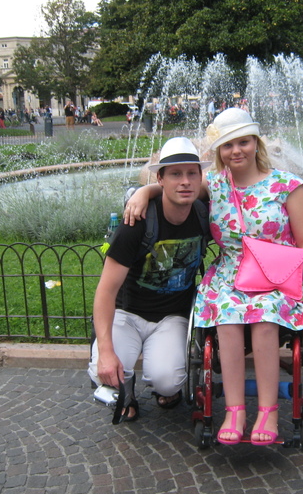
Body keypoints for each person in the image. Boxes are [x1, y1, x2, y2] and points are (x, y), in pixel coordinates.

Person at [125, 109, 303, 445]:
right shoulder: (216, 185)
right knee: (227, 314)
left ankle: (268, 412)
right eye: (228, 145)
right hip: (229, 274)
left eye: (243, 142)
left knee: (264, 317)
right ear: (219, 150)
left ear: (256, 143)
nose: (236, 151)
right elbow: (177, 187)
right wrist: (144, 192)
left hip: (276, 276)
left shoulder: (288, 186)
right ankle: (235, 411)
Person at [89, 137, 212, 423]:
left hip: (172, 316)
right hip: (126, 313)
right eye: (175, 174)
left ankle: (163, 389)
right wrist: (106, 351)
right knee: (103, 371)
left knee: (167, 380)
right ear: (161, 179)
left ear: (200, 177)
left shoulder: (203, 211)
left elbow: (230, 189)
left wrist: (146, 189)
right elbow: (105, 292)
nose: (185, 181)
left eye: (191, 173)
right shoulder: (137, 223)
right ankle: (126, 393)